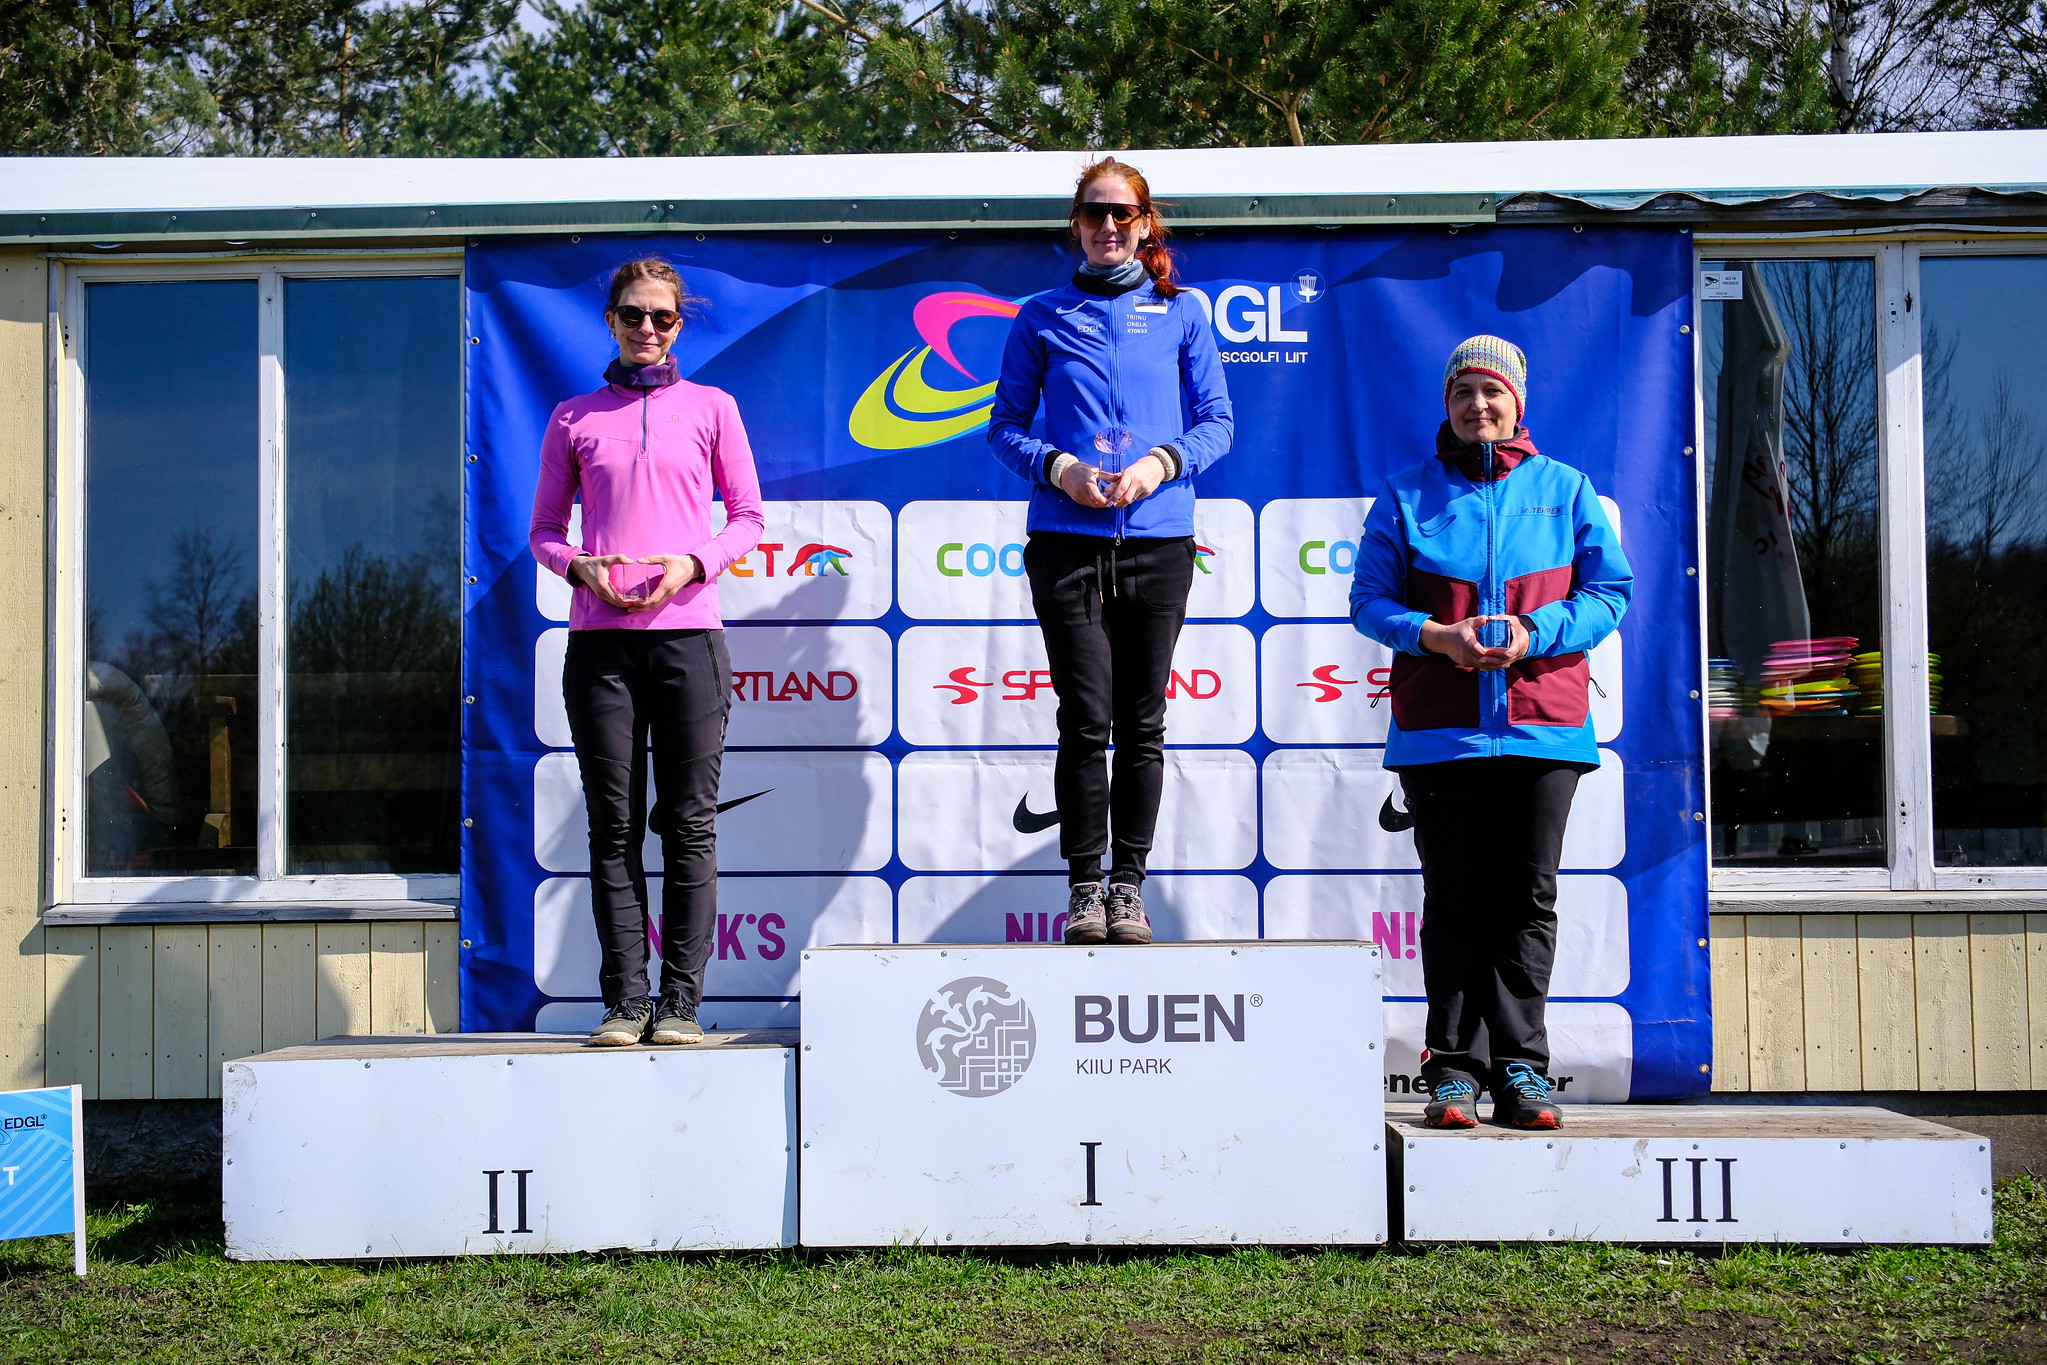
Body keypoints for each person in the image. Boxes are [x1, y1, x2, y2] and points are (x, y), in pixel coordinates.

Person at [1349, 336, 1632, 1130]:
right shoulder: (1406, 494)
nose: (1478, 405)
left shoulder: (1564, 488)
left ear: (1517, 402)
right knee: (1453, 902)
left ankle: (1520, 1069)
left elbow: (1609, 591)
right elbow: (1368, 601)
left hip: (1543, 730)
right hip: (1440, 734)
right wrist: (1435, 636)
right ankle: (1451, 1069)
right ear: (1446, 405)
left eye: (1492, 391)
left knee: (1525, 900)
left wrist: (1534, 632)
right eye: (1462, 393)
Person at [988, 157, 1234, 947]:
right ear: (1075, 224)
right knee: (1084, 719)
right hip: (1066, 542)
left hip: (1158, 541)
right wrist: (1059, 468)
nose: (1106, 226)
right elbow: (1004, 428)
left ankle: (1128, 884)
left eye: (1120, 213)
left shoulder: (1181, 312)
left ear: (1143, 222)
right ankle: (1083, 887)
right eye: (1093, 213)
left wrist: (1161, 463)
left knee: (1141, 721)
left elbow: (1218, 423)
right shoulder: (1041, 315)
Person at [530, 258, 765, 1047]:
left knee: (689, 826)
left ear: (678, 325)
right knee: (613, 828)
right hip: (600, 648)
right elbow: (543, 532)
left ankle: (680, 1004)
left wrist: (691, 564)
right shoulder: (573, 418)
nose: (646, 329)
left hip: (690, 639)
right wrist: (580, 567)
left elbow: (748, 518)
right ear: (610, 321)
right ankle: (625, 1003)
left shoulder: (713, 407)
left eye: (661, 317)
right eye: (632, 314)